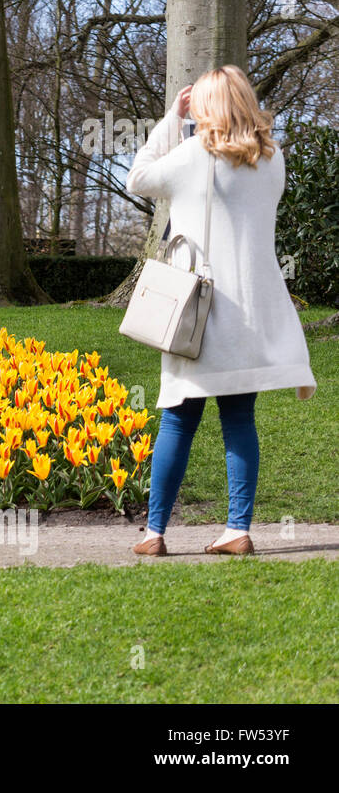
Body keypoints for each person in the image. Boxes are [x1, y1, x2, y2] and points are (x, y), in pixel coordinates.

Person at [125, 65, 316, 557]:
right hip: (251, 316)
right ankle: (237, 528)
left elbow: (138, 178)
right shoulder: (271, 162)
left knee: (177, 420)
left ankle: (154, 533)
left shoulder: (192, 156)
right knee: (239, 420)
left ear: (205, 107)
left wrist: (172, 118)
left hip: (199, 315)